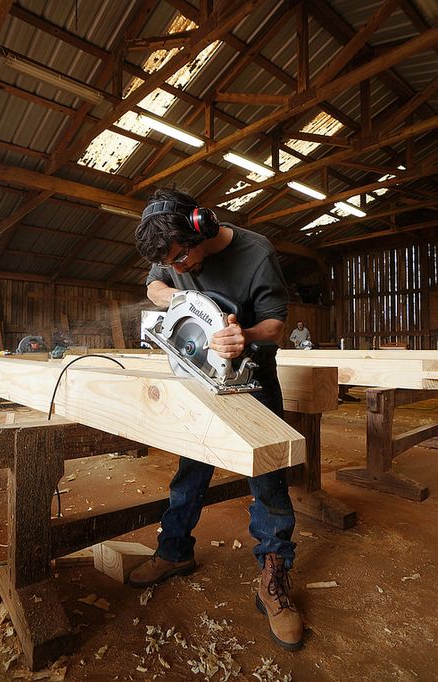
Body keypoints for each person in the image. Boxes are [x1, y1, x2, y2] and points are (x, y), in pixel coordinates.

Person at [131, 187, 303, 651]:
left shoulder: (256, 252)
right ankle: (174, 553)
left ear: (201, 226)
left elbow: (276, 326)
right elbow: (154, 283)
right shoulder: (170, 248)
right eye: (173, 262)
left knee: (267, 478)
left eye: (182, 258)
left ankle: (273, 577)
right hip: (197, 375)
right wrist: (176, 297)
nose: (179, 267)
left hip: (251, 377)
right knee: (190, 469)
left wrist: (239, 336)